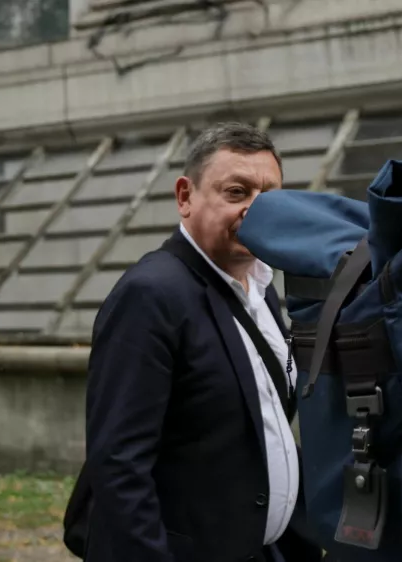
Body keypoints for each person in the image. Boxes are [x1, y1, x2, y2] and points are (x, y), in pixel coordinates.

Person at [83, 123, 322, 562]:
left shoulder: (262, 286)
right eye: (237, 192)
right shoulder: (151, 294)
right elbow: (119, 466)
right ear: (185, 197)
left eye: (268, 197)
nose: (256, 210)